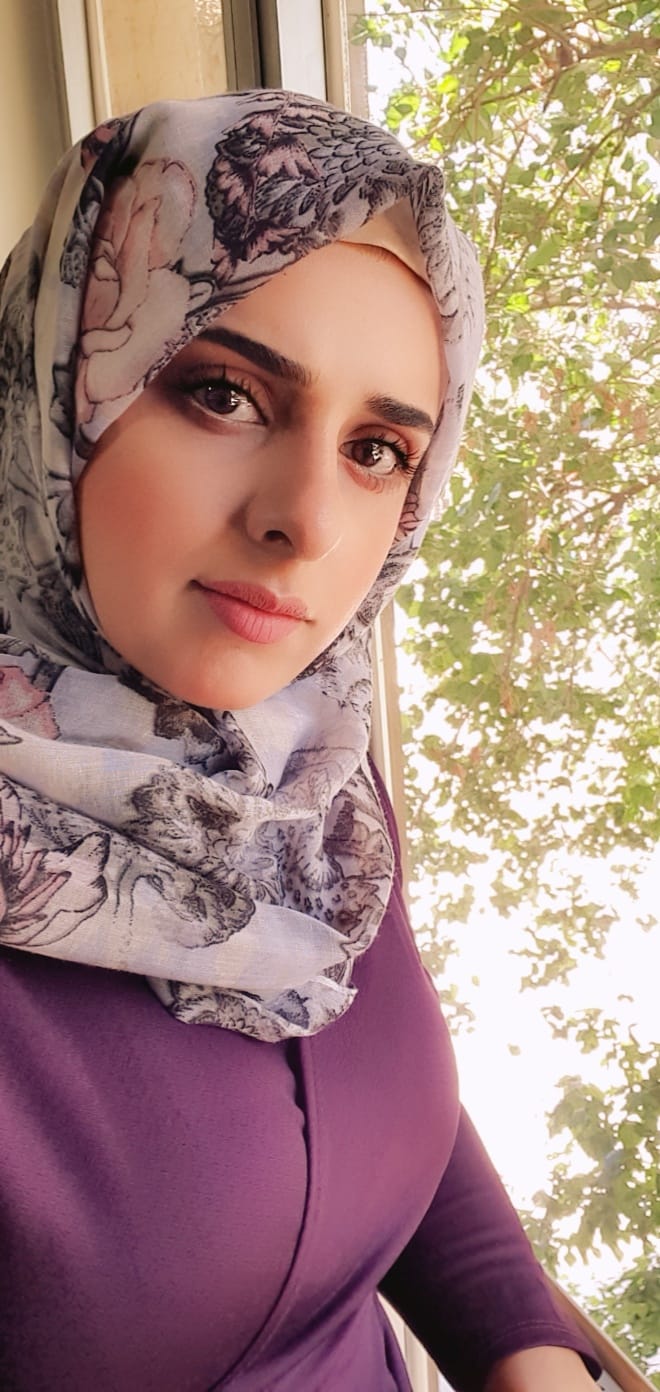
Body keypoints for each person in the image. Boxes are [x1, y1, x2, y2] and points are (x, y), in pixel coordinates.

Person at [0, 90, 600, 1391]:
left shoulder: (305, 769)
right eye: (223, 393)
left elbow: (405, 1118)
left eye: (378, 449)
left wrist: (528, 1349)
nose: (310, 522)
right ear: (57, 389)